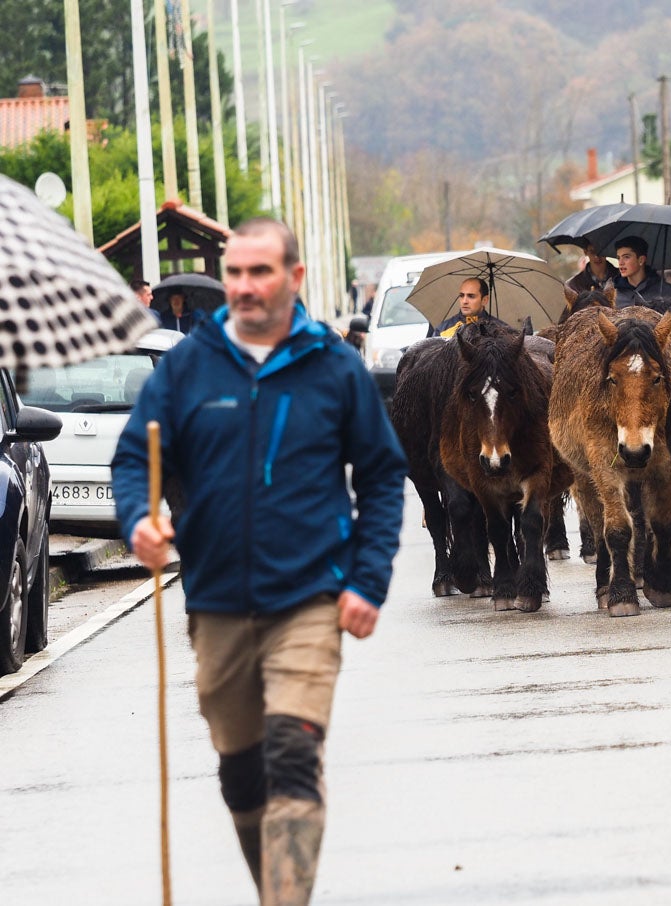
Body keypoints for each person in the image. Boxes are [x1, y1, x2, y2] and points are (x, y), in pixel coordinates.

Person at [111, 218, 407, 905]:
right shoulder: (190, 364)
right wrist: (140, 518)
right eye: (235, 274)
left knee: (292, 756)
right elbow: (135, 456)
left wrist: (367, 580)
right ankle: (273, 886)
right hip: (214, 601)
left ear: (293, 279)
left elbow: (383, 476)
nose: (243, 287)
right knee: (242, 775)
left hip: (308, 598)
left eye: (259, 273)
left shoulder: (332, 367)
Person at [611, 235, 671, 339]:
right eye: (618, 258)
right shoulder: (613, 294)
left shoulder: (667, 291)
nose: (621, 263)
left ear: (641, 260)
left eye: (626, 257)